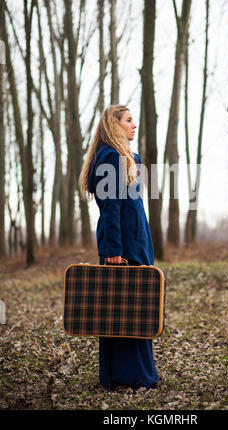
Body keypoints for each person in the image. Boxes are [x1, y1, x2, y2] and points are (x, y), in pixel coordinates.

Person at [78, 104, 158, 391]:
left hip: (136, 242)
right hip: (122, 246)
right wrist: (114, 250)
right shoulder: (111, 157)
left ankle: (136, 375)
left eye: (134, 119)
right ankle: (129, 377)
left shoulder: (126, 157)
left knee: (137, 308)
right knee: (123, 310)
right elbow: (110, 209)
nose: (133, 125)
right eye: (128, 120)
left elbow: (132, 207)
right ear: (114, 125)